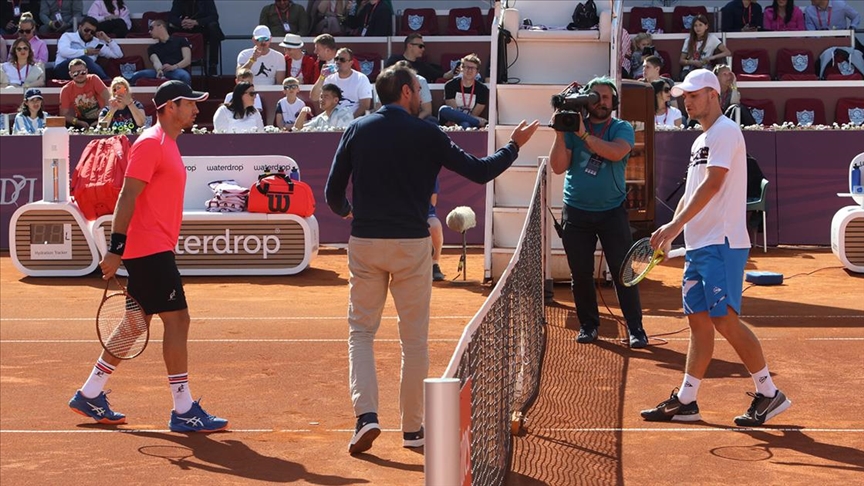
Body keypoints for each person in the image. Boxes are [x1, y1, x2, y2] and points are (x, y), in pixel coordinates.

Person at [324, 63, 539, 455]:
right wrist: (514, 145)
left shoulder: (358, 129)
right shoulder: (427, 132)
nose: (423, 95)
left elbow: (333, 194)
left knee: (361, 333)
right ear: (405, 91)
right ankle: (412, 430)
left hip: (367, 242)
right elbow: (480, 172)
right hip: (412, 245)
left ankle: (366, 416)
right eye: (418, 88)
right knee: (414, 341)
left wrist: (351, 213)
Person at [69, 80, 229, 433]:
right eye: (190, 103)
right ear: (171, 107)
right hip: (148, 248)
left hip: (154, 246)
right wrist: (116, 249)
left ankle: (90, 393)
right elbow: (127, 196)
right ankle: (183, 409)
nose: (196, 109)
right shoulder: (150, 143)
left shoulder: (167, 143)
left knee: (135, 323)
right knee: (178, 320)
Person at [641, 69, 792, 426]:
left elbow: (713, 184)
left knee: (723, 319)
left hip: (722, 243)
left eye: (693, 95)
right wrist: (672, 233)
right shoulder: (700, 141)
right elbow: (692, 191)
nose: (687, 102)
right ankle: (687, 401)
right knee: (698, 322)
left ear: (713, 95)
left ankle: (769, 392)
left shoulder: (726, 131)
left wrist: (675, 226)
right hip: (698, 244)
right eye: (684, 97)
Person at [548, 77, 649, 349]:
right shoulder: (573, 127)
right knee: (580, 274)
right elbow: (558, 167)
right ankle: (588, 325)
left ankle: (636, 328)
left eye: (606, 97)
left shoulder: (621, 128)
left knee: (623, 272)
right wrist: (560, 133)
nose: (600, 102)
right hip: (576, 212)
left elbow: (616, 152)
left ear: (614, 102)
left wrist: (583, 135)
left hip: (612, 212)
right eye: (595, 97)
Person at [54, 16, 123, 80]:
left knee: (85, 62)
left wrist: (107, 39)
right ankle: (106, 80)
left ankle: (105, 81)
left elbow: (118, 55)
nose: (89, 33)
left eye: (92, 32)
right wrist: (86, 52)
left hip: (85, 73)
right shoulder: (68, 36)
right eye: (86, 30)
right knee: (84, 59)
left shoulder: (96, 42)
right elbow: (63, 51)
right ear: (80, 27)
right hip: (63, 69)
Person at [311, 47, 371, 118]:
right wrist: (322, 76)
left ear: (351, 63)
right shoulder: (329, 78)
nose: (338, 62)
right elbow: (314, 97)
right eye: (336, 59)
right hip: (332, 120)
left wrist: (350, 120)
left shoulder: (361, 78)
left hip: (353, 120)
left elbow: (365, 105)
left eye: (342, 60)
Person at [128, 19, 192, 86]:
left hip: (177, 70)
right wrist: (159, 70)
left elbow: (187, 60)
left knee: (184, 76)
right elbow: (155, 61)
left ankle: (186, 92)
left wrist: (174, 67)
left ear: (160, 26)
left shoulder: (180, 40)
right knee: (135, 76)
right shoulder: (152, 47)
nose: (149, 31)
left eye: (151, 28)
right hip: (160, 71)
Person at [168, 0, 224, 76]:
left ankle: (212, 65)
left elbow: (214, 17)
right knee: (168, 27)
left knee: (214, 27)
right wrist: (182, 22)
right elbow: (172, 17)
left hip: (201, 27)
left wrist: (196, 22)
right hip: (184, 27)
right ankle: (170, 62)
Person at [438, 54, 489, 129]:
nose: (469, 70)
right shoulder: (450, 85)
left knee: (465, 124)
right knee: (443, 109)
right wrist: (478, 120)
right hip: (450, 120)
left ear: (477, 71)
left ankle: (475, 122)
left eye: (472, 68)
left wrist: (471, 119)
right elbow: (454, 111)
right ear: (461, 68)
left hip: (469, 122)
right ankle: (478, 122)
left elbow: (474, 114)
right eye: (467, 67)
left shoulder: (482, 89)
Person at [59, 58, 109, 129]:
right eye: (75, 73)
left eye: (82, 72)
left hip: (102, 117)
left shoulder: (93, 79)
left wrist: (102, 119)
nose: (80, 75)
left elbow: (108, 98)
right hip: (81, 121)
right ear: (70, 74)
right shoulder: (66, 90)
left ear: (87, 71)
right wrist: (78, 122)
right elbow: (64, 115)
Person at [679, 14, 730, 81]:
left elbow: (727, 52)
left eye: (700, 25)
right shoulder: (688, 40)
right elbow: (681, 60)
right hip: (689, 69)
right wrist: (693, 62)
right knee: (685, 77)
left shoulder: (712, 38)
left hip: (705, 69)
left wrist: (711, 57)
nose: (698, 28)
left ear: (706, 26)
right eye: (695, 25)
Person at [384, 33, 453, 82]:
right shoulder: (394, 60)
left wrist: (453, 71)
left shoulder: (422, 66)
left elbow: (444, 75)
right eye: (420, 46)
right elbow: (386, 76)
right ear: (410, 46)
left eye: (423, 47)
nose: (423, 49)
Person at [429, 179, 445, 281]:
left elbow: (432, 202)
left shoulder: (430, 175)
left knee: (435, 225)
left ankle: (434, 264)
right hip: (401, 215)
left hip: (422, 213)